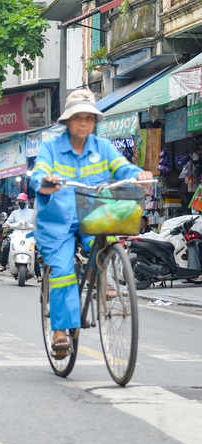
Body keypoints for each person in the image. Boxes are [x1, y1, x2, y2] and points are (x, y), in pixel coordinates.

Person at [30, 88, 152, 357]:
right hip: (57, 221)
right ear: (67, 121)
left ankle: (104, 277)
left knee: (109, 239)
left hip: (93, 214)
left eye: (89, 117)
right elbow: (38, 173)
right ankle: (60, 331)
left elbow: (122, 167)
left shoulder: (103, 147)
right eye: (78, 117)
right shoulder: (51, 147)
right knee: (62, 271)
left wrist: (138, 174)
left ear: (95, 121)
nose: (84, 122)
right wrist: (45, 182)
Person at [0, 193, 42, 282]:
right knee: (6, 247)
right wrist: (6, 224)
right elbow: (9, 221)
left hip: (29, 235)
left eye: (23, 201)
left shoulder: (32, 212)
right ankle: (3, 265)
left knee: (34, 252)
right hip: (16, 235)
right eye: (19, 201)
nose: (21, 202)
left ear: (26, 202)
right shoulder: (14, 213)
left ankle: (39, 275)